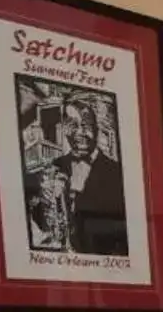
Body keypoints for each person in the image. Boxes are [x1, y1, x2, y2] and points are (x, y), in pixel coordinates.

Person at [54, 105, 129, 257]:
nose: (79, 132)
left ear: (96, 128)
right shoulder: (55, 166)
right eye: (72, 125)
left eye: (85, 125)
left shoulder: (118, 173)